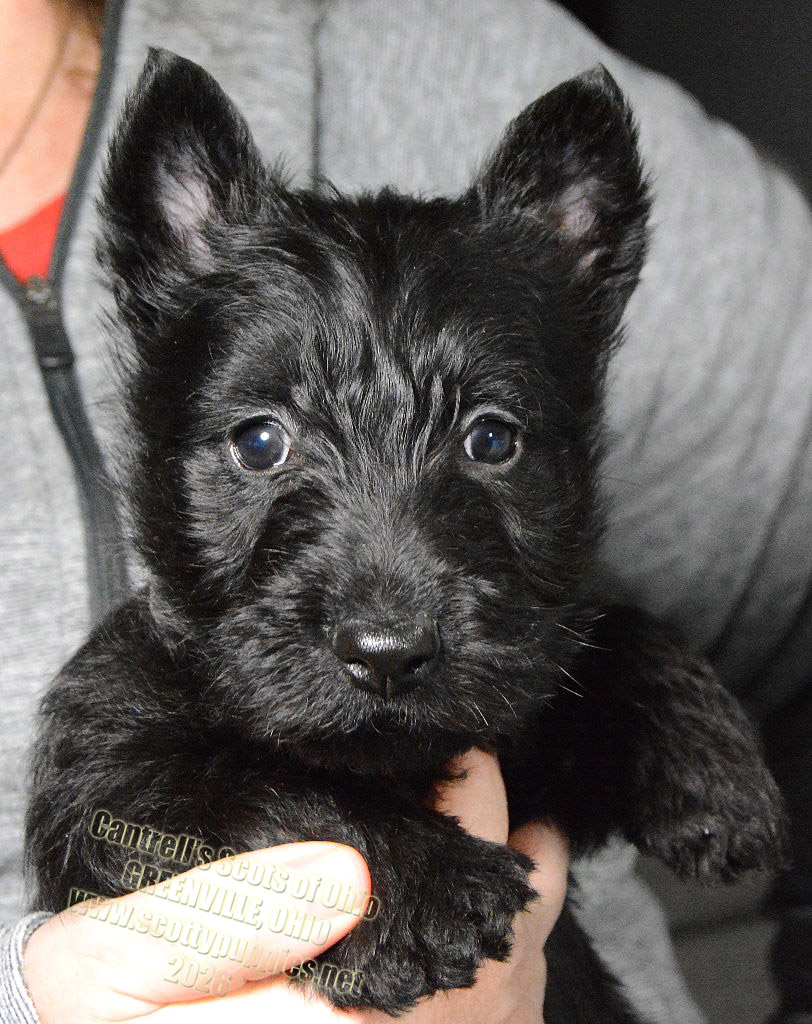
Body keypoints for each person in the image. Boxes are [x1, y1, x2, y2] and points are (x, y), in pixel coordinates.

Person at [1, 0, 810, 1022]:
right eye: (263, 445)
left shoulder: (439, 36)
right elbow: (120, 827)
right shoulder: (129, 754)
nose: (385, 623)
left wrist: (639, 686)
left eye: (489, 441)